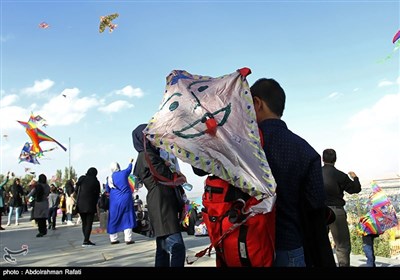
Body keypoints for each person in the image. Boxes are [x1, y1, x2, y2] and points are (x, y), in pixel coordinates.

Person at [251, 78, 336, 267]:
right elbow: (315, 204)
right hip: (290, 247)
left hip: (248, 249)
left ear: (257, 103)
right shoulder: (305, 151)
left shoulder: (243, 147)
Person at [132, 123, 186, 267]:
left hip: (158, 201)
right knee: (177, 247)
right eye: (149, 136)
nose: (153, 138)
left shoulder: (143, 156)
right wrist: (175, 173)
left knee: (162, 249)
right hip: (162, 203)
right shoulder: (148, 155)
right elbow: (165, 176)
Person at [322, 148, 361, 267]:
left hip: (319, 211)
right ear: (335, 159)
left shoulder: (315, 173)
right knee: (342, 245)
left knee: (319, 243)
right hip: (336, 211)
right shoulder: (340, 175)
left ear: (323, 159)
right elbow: (355, 189)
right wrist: (355, 178)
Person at [106, 160, 137, 245]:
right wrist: (130, 162)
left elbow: (107, 190)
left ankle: (113, 239)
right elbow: (129, 168)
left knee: (113, 218)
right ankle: (128, 239)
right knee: (127, 217)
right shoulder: (124, 173)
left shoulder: (109, 178)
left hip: (114, 201)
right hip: (125, 199)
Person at [75, 167, 101, 247]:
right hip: (90, 204)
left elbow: (76, 189)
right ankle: (86, 241)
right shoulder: (96, 182)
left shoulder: (82, 178)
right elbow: (97, 195)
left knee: (84, 223)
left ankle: (86, 239)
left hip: (80, 204)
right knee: (89, 223)